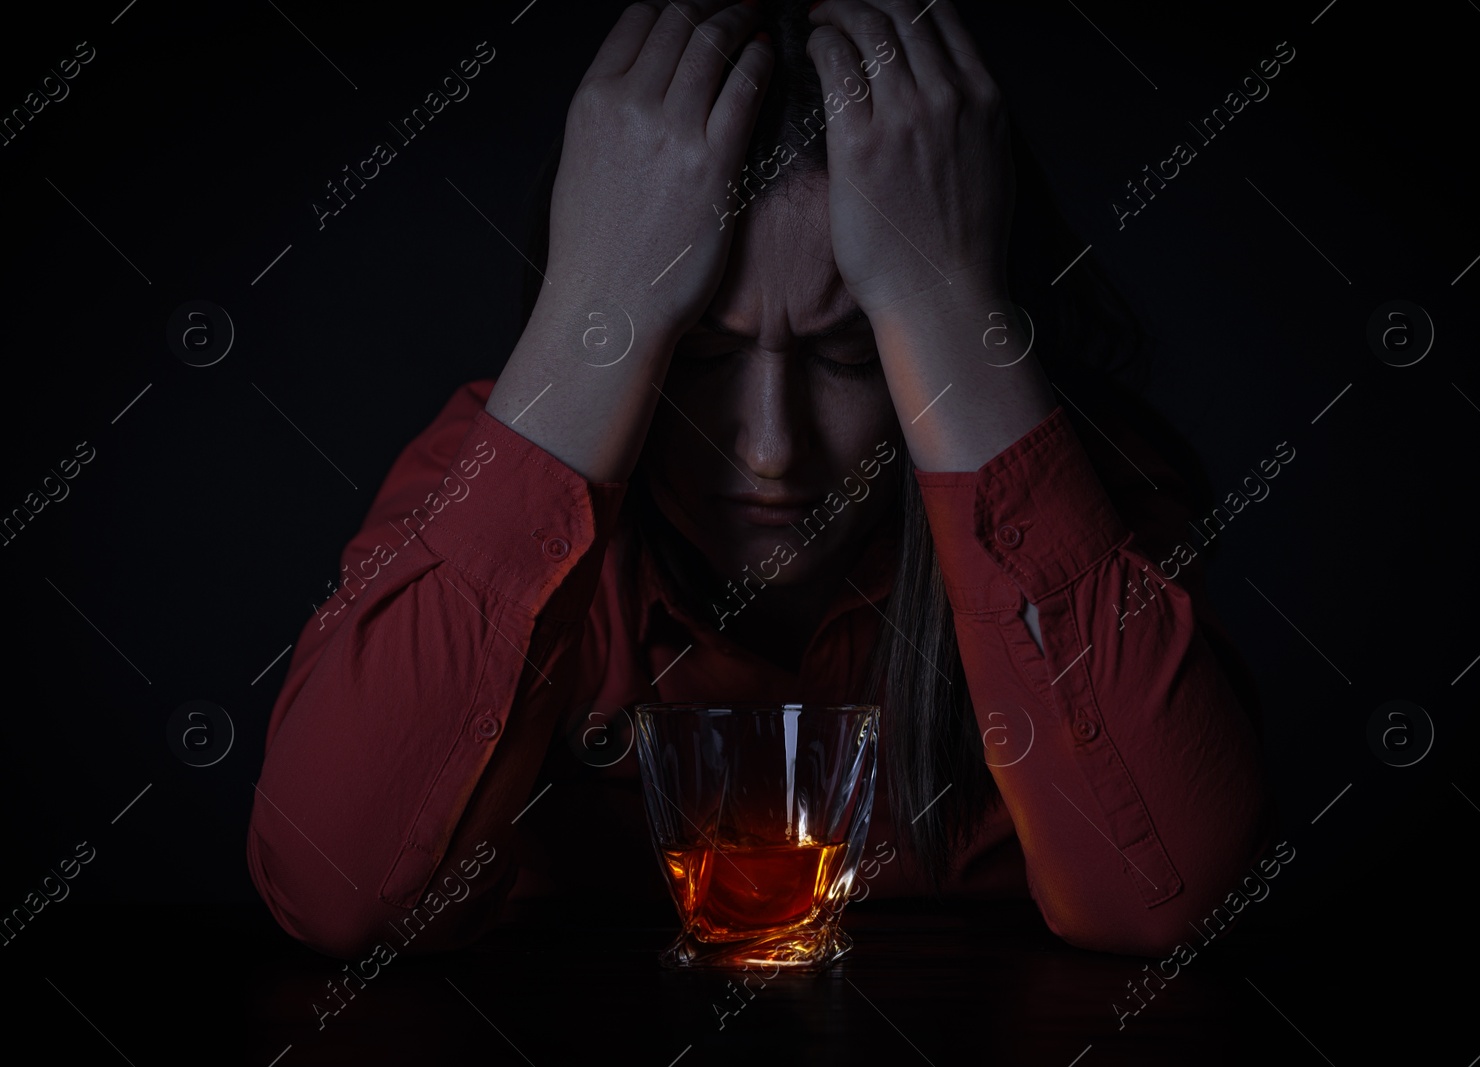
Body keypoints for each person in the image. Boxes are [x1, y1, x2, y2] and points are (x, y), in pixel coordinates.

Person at [247, 0, 1274, 961]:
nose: (771, 449)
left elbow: (1168, 898)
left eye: (849, 356)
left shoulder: (1075, 483)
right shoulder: (490, 470)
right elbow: (343, 894)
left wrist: (946, 295)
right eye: (695, 357)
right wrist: (597, 300)